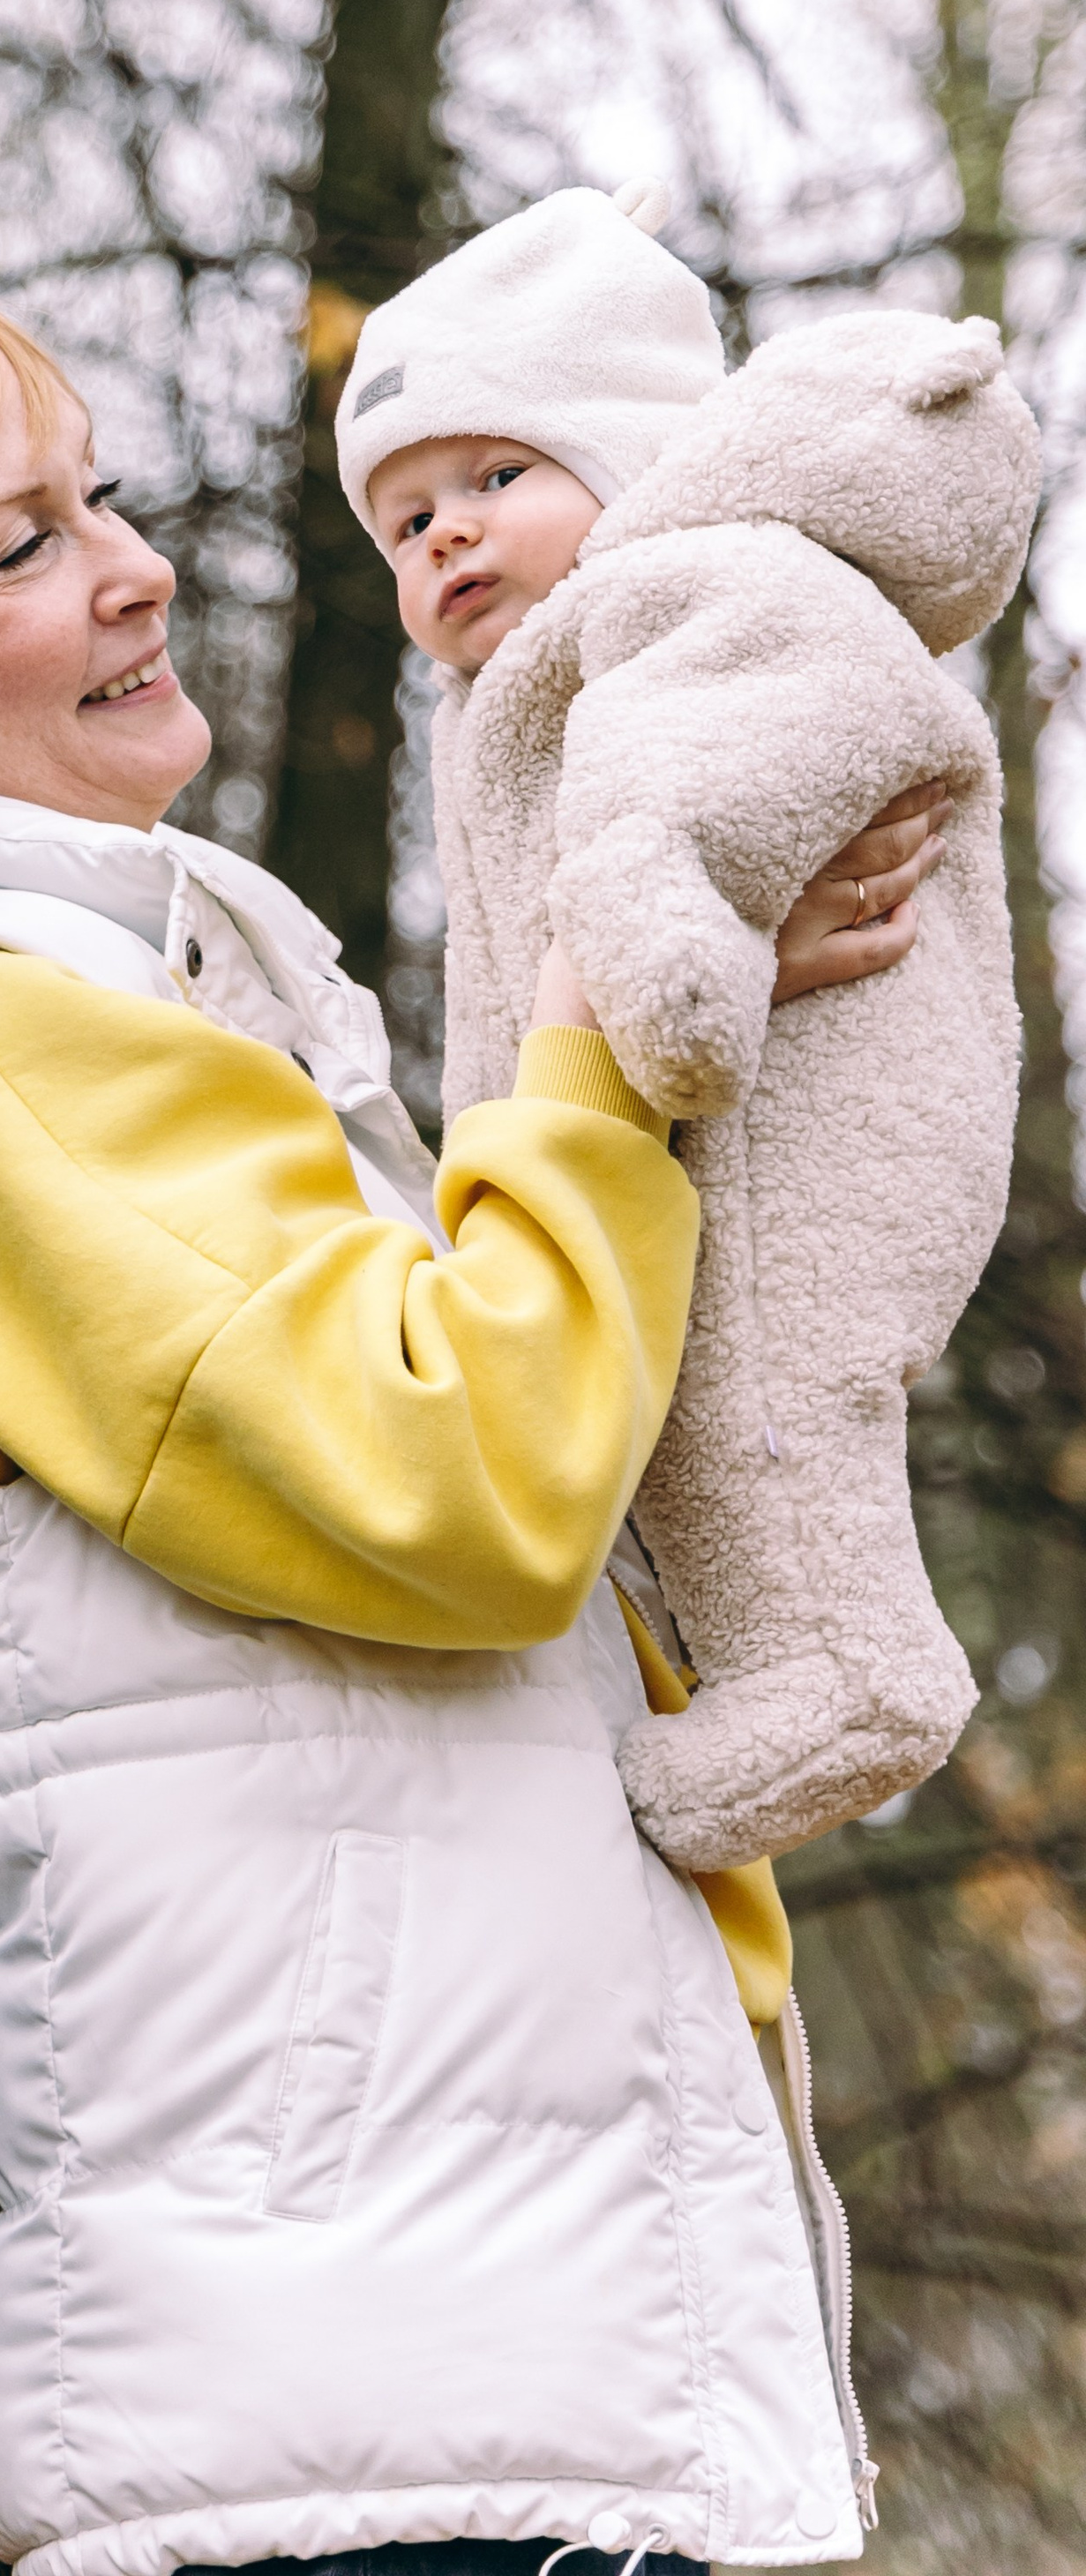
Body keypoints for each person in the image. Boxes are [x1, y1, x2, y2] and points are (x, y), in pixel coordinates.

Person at [0, 261, 947, 2576]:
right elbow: (472, 1472)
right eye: (21, 545)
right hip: (359, 2414)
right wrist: (600, 994)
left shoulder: (110, 1004)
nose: (137, 566)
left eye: (105, 497)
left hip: (449, 2359)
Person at [335, 187, 1033, 1872]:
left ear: (640, 459)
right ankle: (751, 1665)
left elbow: (747, 759)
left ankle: (857, 1681)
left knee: (770, 1402)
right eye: (405, 516)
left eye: (497, 476)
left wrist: (669, 917)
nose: (444, 537)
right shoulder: (515, 696)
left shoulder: (720, 582)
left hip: (809, 1128)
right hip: (670, 1144)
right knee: (670, 1423)